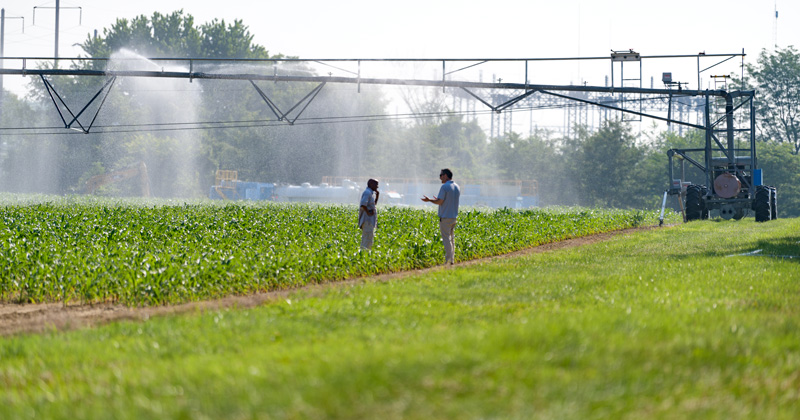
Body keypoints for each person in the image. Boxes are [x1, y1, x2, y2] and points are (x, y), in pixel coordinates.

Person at [421, 168, 461, 265]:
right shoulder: (456, 186)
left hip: (445, 217)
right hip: (454, 216)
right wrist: (438, 200)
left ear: (446, 176)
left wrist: (429, 200)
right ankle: (452, 259)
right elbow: (447, 200)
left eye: (441, 175)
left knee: (446, 239)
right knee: (452, 239)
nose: (440, 178)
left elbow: (440, 201)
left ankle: (448, 260)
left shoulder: (444, 187)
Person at [358, 178, 380, 250]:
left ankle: (366, 256)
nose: (377, 186)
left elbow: (373, 205)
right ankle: (363, 256)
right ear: (371, 184)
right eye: (376, 184)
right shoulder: (367, 192)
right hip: (367, 220)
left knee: (369, 239)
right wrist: (368, 212)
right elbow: (363, 204)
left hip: (370, 221)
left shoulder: (370, 193)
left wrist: (377, 196)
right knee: (366, 240)